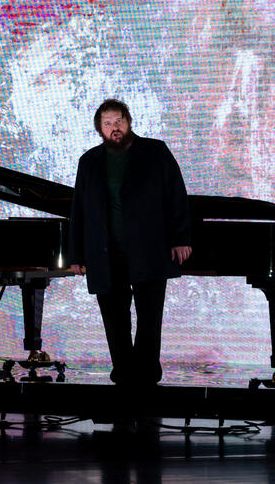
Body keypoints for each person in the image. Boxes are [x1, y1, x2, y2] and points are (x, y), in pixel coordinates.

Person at [68, 99, 192, 386]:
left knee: (150, 317)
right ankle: (124, 375)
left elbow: (176, 196)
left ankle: (147, 376)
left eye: (119, 121)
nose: (115, 127)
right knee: (114, 319)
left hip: (149, 249)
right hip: (105, 253)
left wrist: (181, 237)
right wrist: (76, 254)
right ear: (99, 128)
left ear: (129, 122)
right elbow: (79, 211)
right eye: (108, 123)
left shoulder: (155, 152)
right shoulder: (89, 161)